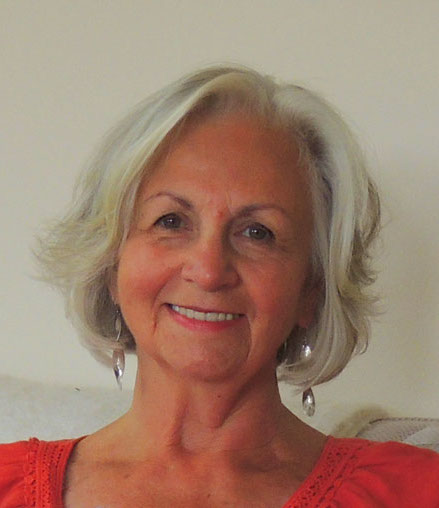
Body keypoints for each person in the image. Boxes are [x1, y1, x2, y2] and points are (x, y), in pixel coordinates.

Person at [1, 65, 438, 508]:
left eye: (258, 233)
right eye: (171, 221)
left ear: (313, 289)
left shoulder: (417, 492)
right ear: (110, 263)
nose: (209, 271)